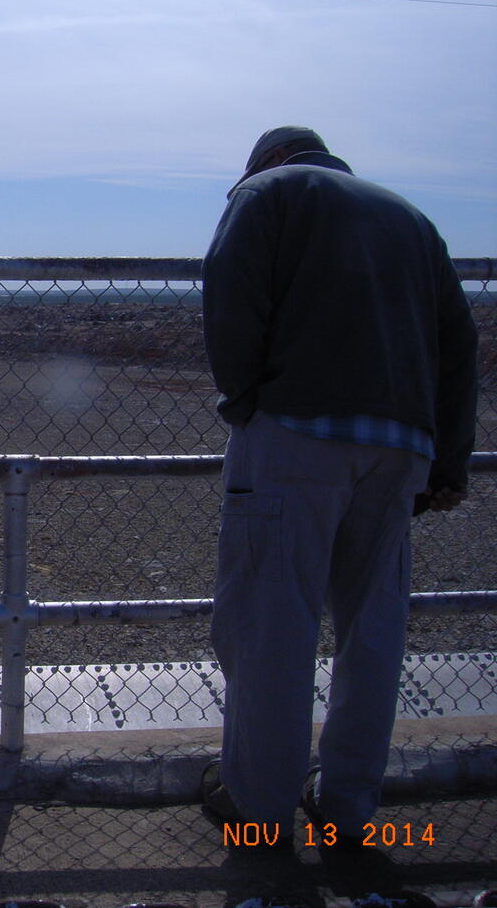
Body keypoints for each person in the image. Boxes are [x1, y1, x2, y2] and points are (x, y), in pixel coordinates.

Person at [199, 127, 478, 851]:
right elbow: (458, 343)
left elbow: (233, 297)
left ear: (265, 162)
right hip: (399, 447)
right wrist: (447, 460)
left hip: (297, 436)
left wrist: (244, 401)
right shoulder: (411, 219)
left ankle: (259, 812)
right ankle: (349, 809)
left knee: (272, 626)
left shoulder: (265, 194)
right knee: (371, 630)